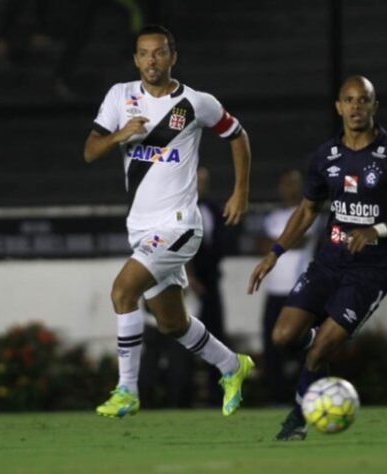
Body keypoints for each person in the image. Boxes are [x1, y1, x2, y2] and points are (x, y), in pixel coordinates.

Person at [84, 24, 254, 419]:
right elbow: (90, 151)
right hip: (141, 228)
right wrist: (120, 135)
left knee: (123, 291)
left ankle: (127, 390)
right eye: (143, 53)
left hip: (178, 225)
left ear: (173, 57)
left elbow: (238, 135)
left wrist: (240, 191)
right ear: (135, 59)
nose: (151, 61)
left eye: (159, 53)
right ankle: (232, 365)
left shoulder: (195, 103)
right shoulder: (120, 96)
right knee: (172, 323)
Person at [248, 75, 387, 440]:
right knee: (282, 336)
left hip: (373, 269)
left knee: (319, 351)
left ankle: (296, 420)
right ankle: (318, 336)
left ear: (375, 106)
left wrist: (374, 231)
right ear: (338, 107)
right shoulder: (326, 156)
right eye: (349, 100)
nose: (356, 107)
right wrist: (275, 254)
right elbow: (307, 210)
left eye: (363, 100)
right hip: (330, 261)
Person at [257, 169, 320, 404]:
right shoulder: (273, 217)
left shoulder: (308, 213)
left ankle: (306, 395)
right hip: (274, 291)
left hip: (299, 290)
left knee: (304, 345)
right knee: (271, 345)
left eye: (292, 184)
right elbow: (259, 245)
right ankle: (276, 397)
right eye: (284, 185)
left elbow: (300, 240)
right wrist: (281, 242)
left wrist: (275, 244)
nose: (288, 190)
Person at [187, 166, 228, 405]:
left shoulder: (214, 208)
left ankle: (215, 392)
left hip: (211, 283)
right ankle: (186, 395)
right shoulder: (180, 207)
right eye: (198, 180)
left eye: (205, 180)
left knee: (215, 335)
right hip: (188, 283)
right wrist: (190, 277)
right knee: (187, 336)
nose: (201, 185)